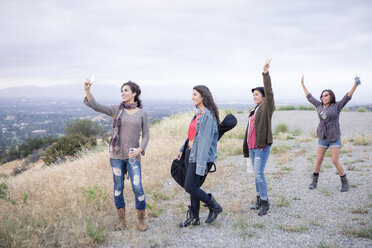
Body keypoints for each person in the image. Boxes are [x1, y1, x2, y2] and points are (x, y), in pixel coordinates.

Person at [84, 80, 149, 231]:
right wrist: (87, 90)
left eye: (126, 90)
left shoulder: (142, 114)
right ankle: (122, 221)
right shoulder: (116, 110)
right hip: (116, 157)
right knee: (118, 188)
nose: (123, 93)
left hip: (133, 157)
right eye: (122, 90)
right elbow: (95, 106)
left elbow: (146, 135)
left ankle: (141, 220)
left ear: (134, 93)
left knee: (137, 188)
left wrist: (140, 149)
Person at [301, 75, 359, 192]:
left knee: (334, 160)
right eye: (322, 96)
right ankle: (314, 181)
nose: (323, 97)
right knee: (318, 159)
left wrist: (355, 85)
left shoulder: (337, 106)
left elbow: (347, 97)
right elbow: (309, 97)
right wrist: (303, 84)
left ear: (331, 96)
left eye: (326, 95)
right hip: (322, 137)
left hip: (334, 137)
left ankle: (345, 182)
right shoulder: (319, 105)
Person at [178, 85, 222, 227]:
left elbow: (204, 142)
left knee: (190, 187)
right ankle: (195, 218)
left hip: (198, 156)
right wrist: (182, 149)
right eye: (192, 94)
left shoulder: (208, 116)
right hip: (189, 153)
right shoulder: (198, 113)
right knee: (193, 186)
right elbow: (191, 136)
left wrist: (201, 164)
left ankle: (213, 205)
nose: (192, 97)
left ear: (203, 96)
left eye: (195, 94)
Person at [243, 59, 275, 216]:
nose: (254, 97)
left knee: (259, 173)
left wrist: (265, 73)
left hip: (261, 146)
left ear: (263, 97)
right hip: (252, 148)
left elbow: (269, 91)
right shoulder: (254, 110)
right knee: (255, 174)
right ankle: (258, 200)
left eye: (256, 94)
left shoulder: (266, 107)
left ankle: (265, 202)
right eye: (253, 95)